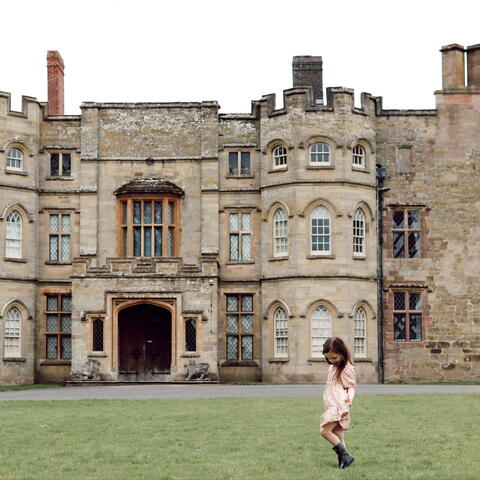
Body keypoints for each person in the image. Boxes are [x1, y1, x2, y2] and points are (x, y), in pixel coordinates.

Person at [319, 337, 356, 469]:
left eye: (334, 357)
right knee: (338, 433)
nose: (331, 361)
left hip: (339, 404)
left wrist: (349, 399)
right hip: (332, 404)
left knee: (324, 431)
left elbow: (351, 387)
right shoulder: (333, 367)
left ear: (342, 353)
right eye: (328, 358)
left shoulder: (346, 368)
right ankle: (344, 460)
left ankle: (345, 455)